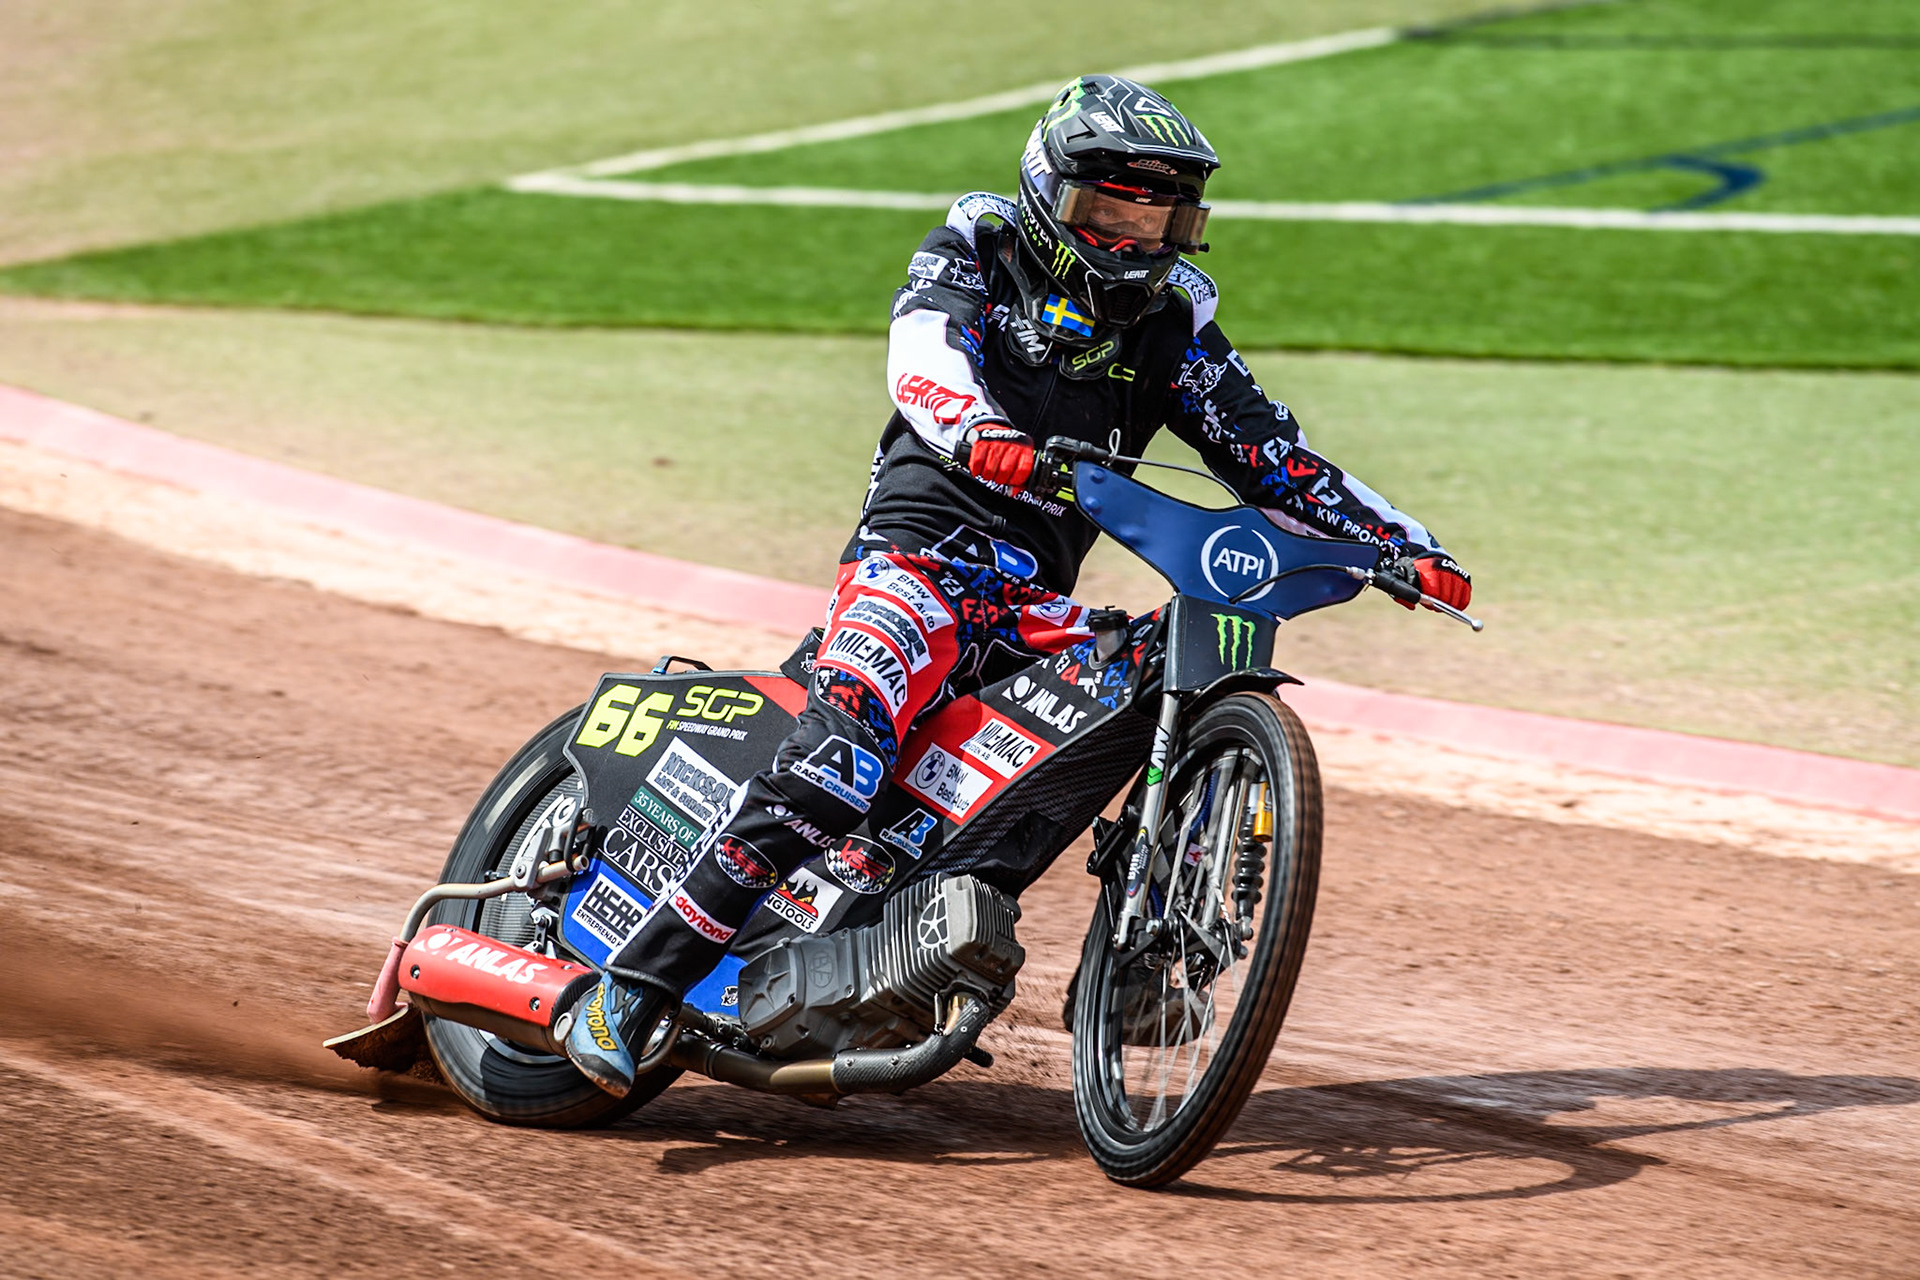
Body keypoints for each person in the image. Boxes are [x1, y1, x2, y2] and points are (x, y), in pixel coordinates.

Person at [560, 73, 1472, 1095]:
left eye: (1159, 213)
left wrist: (1403, 546)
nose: (1133, 235)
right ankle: (630, 986)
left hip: (1028, 605)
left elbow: (1275, 458)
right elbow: (924, 361)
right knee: (834, 766)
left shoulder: (1170, 325)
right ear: (1051, 193)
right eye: (1110, 208)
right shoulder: (976, 252)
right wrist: (984, 436)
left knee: (1160, 665)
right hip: (916, 565)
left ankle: (1136, 962)